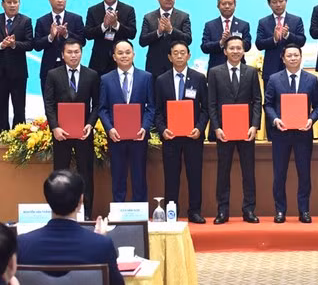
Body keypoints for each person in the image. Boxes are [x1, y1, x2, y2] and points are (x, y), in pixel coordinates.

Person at [17, 170, 123, 285]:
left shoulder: (22, 244)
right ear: (81, 201)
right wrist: (98, 239)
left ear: (47, 199)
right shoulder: (102, 244)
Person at [43, 38, 100, 220]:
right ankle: (59, 213)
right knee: (59, 173)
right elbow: (49, 103)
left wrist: (90, 124)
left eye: (76, 52)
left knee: (86, 173)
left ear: (81, 53)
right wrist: (55, 127)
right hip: (61, 134)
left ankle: (87, 214)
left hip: (84, 133)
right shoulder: (53, 74)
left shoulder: (91, 75)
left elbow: (97, 104)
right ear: (62, 54)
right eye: (69, 52)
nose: (73, 55)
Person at [263, 44, 318, 223]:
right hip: (281, 134)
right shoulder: (274, 79)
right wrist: (275, 119)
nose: (293, 58)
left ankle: (304, 210)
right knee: (279, 174)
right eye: (290, 55)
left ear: (301, 57)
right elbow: (268, 104)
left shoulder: (311, 79)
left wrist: (311, 119)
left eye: (296, 55)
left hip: (303, 134)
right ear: (283, 58)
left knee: (304, 174)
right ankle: (280, 210)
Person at [208, 35, 262, 224]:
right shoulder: (214, 72)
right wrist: (216, 128)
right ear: (225, 51)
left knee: (249, 172)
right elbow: (211, 103)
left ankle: (249, 210)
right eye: (232, 48)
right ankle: (222, 211)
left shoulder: (251, 72)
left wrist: (254, 125)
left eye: (239, 48)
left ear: (243, 50)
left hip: (246, 131)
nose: (236, 51)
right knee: (223, 172)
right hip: (224, 132)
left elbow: (257, 101)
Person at [154, 41, 208, 224]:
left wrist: (199, 128)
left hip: (193, 136)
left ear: (188, 56)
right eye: (175, 53)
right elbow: (157, 111)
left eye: (182, 53)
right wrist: (163, 130)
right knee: (171, 176)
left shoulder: (199, 78)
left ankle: (194, 211)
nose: (179, 56)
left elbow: (206, 108)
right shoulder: (161, 80)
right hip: (170, 137)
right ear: (169, 57)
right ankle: (172, 211)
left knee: (195, 174)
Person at [98, 40, 155, 202]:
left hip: (139, 136)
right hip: (116, 137)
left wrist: (145, 127)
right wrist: (109, 129)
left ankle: (140, 217)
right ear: (114, 56)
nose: (124, 56)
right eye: (120, 53)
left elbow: (151, 107)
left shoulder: (146, 77)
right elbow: (102, 108)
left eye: (128, 52)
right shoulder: (105, 79)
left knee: (139, 178)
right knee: (118, 178)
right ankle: (119, 216)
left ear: (134, 54)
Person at [34, 0, 85, 94]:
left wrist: (66, 34)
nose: (60, 0)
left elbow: (82, 41)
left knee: (69, 101)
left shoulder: (76, 19)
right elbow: (37, 45)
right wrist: (50, 37)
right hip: (48, 68)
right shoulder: (42, 21)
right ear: (50, 0)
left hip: (70, 66)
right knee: (49, 102)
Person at [84, 0, 137, 76]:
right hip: (99, 60)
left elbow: (132, 33)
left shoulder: (128, 10)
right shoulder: (93, 10)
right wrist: (104, 26)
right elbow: (87, 34)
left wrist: (116, 25)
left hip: (121, 58)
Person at [139, 0, 192, 78]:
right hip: (154, 66)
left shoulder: (183, 16)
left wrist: (171, 30)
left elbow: (188, 39)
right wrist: (158, 32)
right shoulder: (149, 17)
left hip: (176, 65)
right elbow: (142, 41)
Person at [255, 0, 307, 84]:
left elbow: (302, 41)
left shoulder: (296, 20)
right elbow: (259, 44)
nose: (278, 5)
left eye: (281, 1)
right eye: (274, 2)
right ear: (269, 4)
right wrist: (274, 39)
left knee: (291, 98)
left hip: (292, 68)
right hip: (271, 69)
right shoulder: (263, 22)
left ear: (286, 1)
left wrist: (287, 35)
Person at [0, 0, 33, 130]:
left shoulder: (25, 21)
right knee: (1, 107)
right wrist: (2, 45)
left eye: (15, 2)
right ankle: (2, 136)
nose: (13, 5)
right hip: (1, 72)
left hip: (18, 73)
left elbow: (30, 44)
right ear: (3, 4)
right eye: (9, 2)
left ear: (19, 4)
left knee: (19, 108)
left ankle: (19, 136)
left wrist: (14, 45)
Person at [201, 0, 252, 71]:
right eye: (224, 4)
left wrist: (232, 40)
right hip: (216, 69)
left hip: (238, 69)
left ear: (235, 6)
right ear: (218, 6)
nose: (227, 6)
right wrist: (221, 43)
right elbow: (204, 47)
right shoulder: (210, 25)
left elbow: (248, 46)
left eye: (230, 4)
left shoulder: (243, 25)